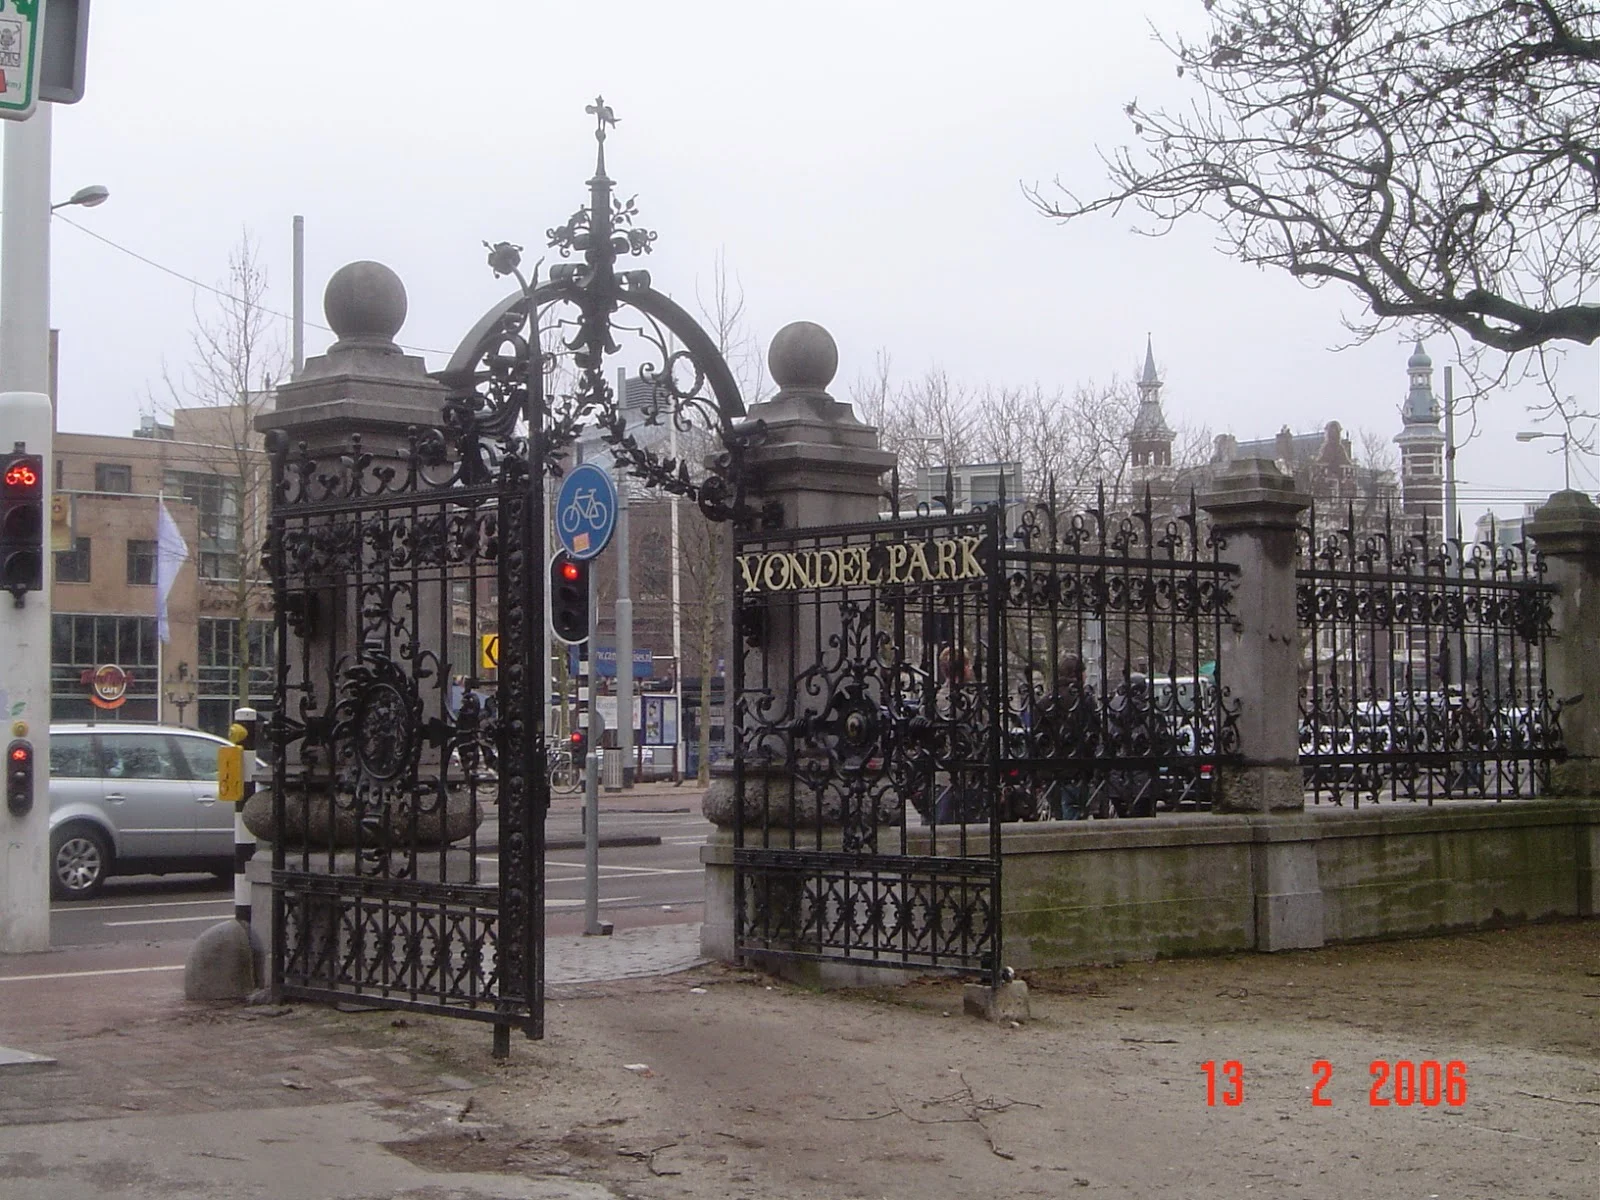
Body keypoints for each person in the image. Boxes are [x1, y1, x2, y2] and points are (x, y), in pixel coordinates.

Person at [1035, 651, 1100, 819]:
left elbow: (1038, 740)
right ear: (1078, 674)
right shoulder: (1084, 700)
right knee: (1077, 818)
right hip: (1078, 770)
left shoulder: (1045, 701)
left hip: (1052, 772)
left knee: (1060, 816)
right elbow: (1094, 735)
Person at [931, 645, 987, 825]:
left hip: (942, 776)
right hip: (968, 776)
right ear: (963, 668)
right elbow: (982, 733)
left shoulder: (936, 698)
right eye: (968, 665)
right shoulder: (969, 701)